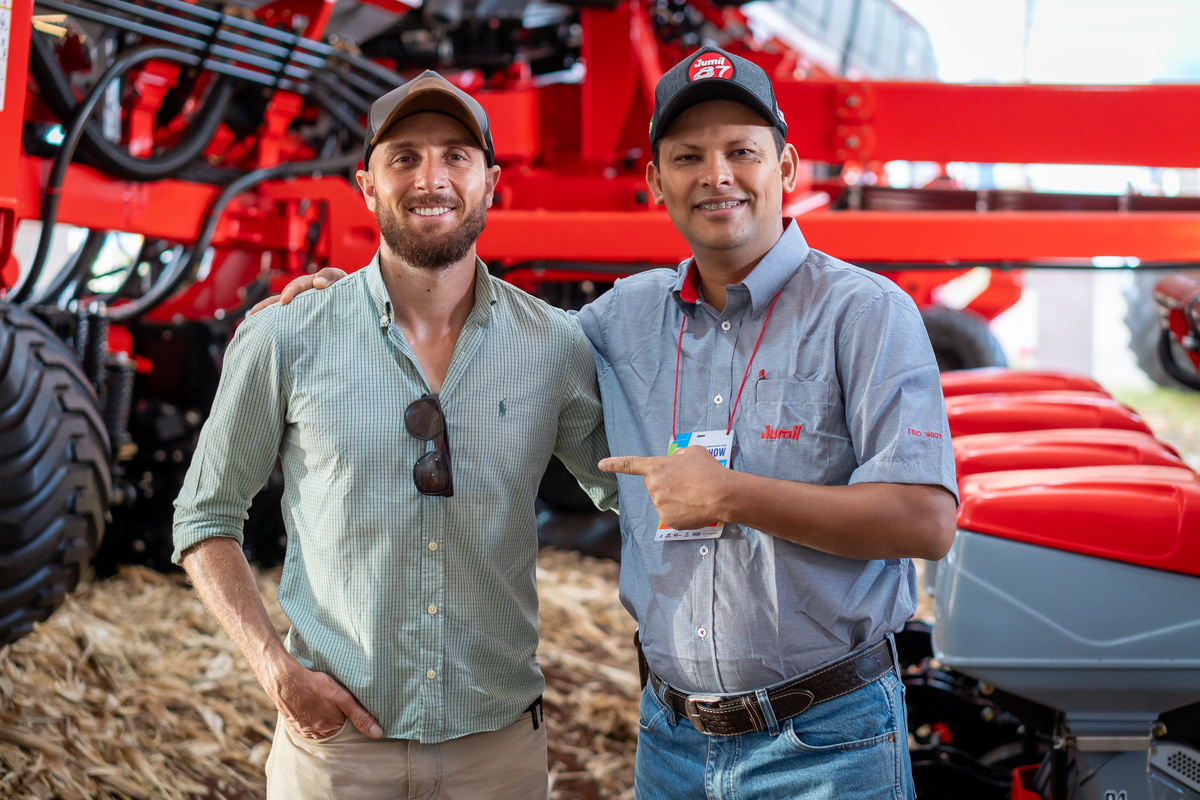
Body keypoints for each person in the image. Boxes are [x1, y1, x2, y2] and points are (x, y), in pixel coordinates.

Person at [271, 47, 958, 799]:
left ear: (787, 170)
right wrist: (365, 298)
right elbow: (493, 332)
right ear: (656, 182)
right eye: (688, 156)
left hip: (826, 743)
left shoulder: (864, 313)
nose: (716, 175)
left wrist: (729, 494)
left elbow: (923, 521)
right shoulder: (622, 318)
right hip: (672, 745)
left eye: (741, 152)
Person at [172, 71, 615, 800]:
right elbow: (205, 517)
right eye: (403, 157)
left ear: (491, 182)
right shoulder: (286, 337)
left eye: (455, 156)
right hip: (337, 751)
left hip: (496, 754)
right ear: (367, 185)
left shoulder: (554, 347)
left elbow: (634, 495)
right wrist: (274, 669)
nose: (430, 178)